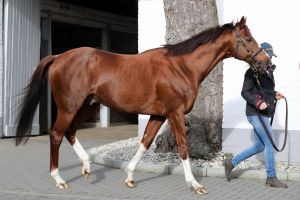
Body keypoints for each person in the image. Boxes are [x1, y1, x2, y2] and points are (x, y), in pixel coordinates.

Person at [224, 42, 288, 188]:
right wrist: (258, 103)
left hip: (264, 113)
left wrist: (274, 94)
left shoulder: (269, 71)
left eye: (271, 56)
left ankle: (231, 163)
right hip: (255, 113)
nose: (270, 59)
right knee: (269, 144)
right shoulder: (251, 72)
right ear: (261, 55)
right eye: (268, 56)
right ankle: (271, 177)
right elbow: (245, 92)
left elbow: (264, 91)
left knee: (260, 146)